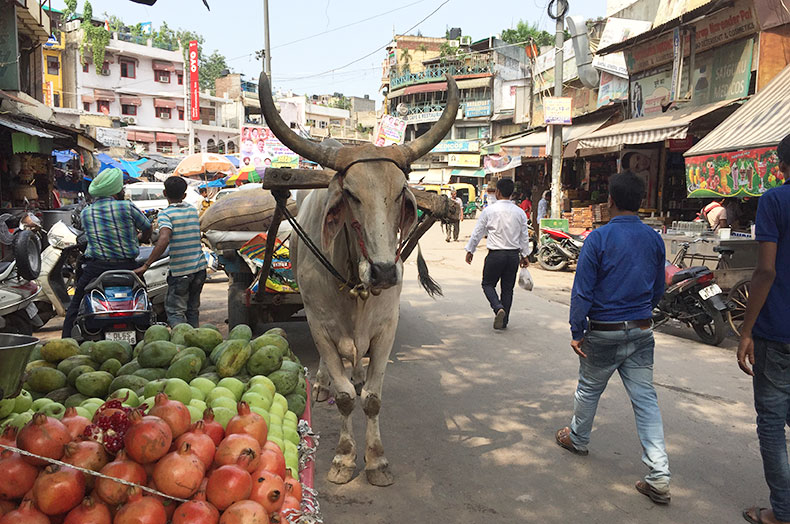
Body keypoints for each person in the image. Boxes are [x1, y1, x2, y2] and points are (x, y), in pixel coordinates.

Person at [555, 171, 671, 505]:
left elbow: (583, 291)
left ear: (610, 201)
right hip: (641, 329)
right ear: (642, 202)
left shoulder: (599, 238)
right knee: (646, 401)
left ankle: (577, 438)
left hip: (604, 331)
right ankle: (659, 476)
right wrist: (642, 311)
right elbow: (659, 287)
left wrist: (577, 330)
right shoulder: (653, 239)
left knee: (589, 388)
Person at [737, 134, 790, 524]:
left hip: (777, 330)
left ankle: (782, 511)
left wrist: (745, 329)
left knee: (772, 423)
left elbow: (766, 269)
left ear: (782, 164)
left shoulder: (774, 200)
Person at [61, 168, 152, 338]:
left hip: (97, 268)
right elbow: (147, 227)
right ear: (117, 190)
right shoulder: (127, 207)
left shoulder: (87, 212)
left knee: (75, 304)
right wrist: (140, 237)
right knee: (146, 297)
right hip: (129, 266)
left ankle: (66, 340)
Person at [135, 176, 207, 327]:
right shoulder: (192, 210)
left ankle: (181, 346)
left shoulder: (166, 214)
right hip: (200, 269)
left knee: (175, 312)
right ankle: (194, 343)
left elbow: (164, 239)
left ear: (164, 193)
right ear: (184, 195)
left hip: (181, 272)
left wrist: (146, 265)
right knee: (192, 309)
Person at [465, 178, 531, 330]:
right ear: (512, 193)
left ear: (497, 192)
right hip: (513, 256)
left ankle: (497, 307)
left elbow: (478, 232)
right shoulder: (520, 212)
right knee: (507, 289)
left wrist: (470, 250)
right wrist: (525, 255)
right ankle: (504, 321)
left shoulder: (489, 211)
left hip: (496, 255)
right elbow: (524, 236)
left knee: (487, 284)